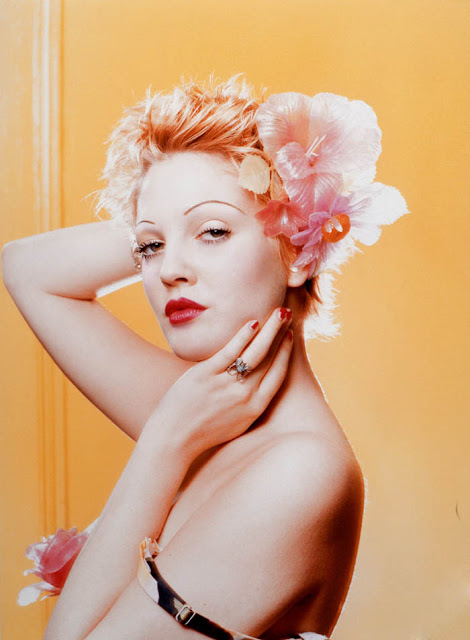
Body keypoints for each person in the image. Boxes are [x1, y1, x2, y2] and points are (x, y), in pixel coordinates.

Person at [2, 74, 408, 639]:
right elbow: (26, 268)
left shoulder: (300, 472)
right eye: (150, 247)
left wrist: (167, 439)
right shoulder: (205, 408)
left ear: (298, 254)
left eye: (214, 232)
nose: (168, 270)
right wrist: (176, 218)